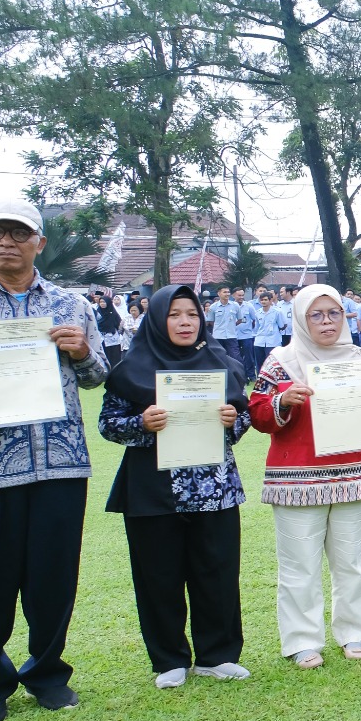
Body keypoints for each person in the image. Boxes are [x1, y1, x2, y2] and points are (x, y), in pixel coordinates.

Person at [0, 198, 106, 721]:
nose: (8, 242)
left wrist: (83, 352)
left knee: (53, 578)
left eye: (21, 233)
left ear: (40, 242)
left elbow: (96, 375)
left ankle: (46, 673)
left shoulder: (71, 305)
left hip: (59, 465)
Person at [99, 285, 252, 688]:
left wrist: (230, 420)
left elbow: (244, 415)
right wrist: (141, 424)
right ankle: (169, 658)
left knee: (216, 571)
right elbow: (108, 424)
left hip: (213, 486)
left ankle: (217, 655)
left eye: (192, 314)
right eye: (174, 314)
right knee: (157, 575)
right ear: (156, 319)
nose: (185, 322)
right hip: (152, 488)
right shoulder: (131, 368)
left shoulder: (222, 362)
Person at [251, 285, 361, 667]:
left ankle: (354, 633)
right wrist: (282, 400)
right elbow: (258, 414)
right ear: (301, 318)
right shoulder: (281, 362)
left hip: (352, 471)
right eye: (316, 315)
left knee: (352, 562)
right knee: (299, 563)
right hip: (298, 477)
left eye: (333, 313)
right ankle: (303, 641)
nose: (327, 322)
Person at [252, 290, 286, 378]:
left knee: (272, 362)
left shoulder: (277, 312)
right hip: (259, 341)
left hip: (273, 341)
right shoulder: (258, 312)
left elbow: (282, 325)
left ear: (271, 301)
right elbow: (256, 327)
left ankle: (274, 378)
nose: (263, 302)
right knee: (259, 362)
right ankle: (261, 379)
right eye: (262, 300)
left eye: (266, 300)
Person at [207, 286, 241, 363]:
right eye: (224, 292)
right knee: (219, 357)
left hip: (231, 336)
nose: (227, 294)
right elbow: (211, 321)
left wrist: (231, 325)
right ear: (219, 293)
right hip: (218, 336)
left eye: (228, 292)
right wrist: (219, 327)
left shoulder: (235, 305)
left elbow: (240, 319)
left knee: (235, 357)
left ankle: (236, 374)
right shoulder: (213, 307)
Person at [96, 289, 127, 368]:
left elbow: (118, 324)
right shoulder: (97, 313)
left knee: (114, 357)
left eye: (104, 302)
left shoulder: (113, 313)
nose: (102, 304)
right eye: (101, 302)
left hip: (113, 339)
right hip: (100, 338)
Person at [234, 287, 258, 382]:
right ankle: (240, 375)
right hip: (234, 336)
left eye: (242, 295)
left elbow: (254, 319)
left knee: (249, 357)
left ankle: (251, 375)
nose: (241, 297)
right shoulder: (231, 306)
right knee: (236, 357)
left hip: (247, 336)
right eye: (239, 295)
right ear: (233, 295)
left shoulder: (249, 306)